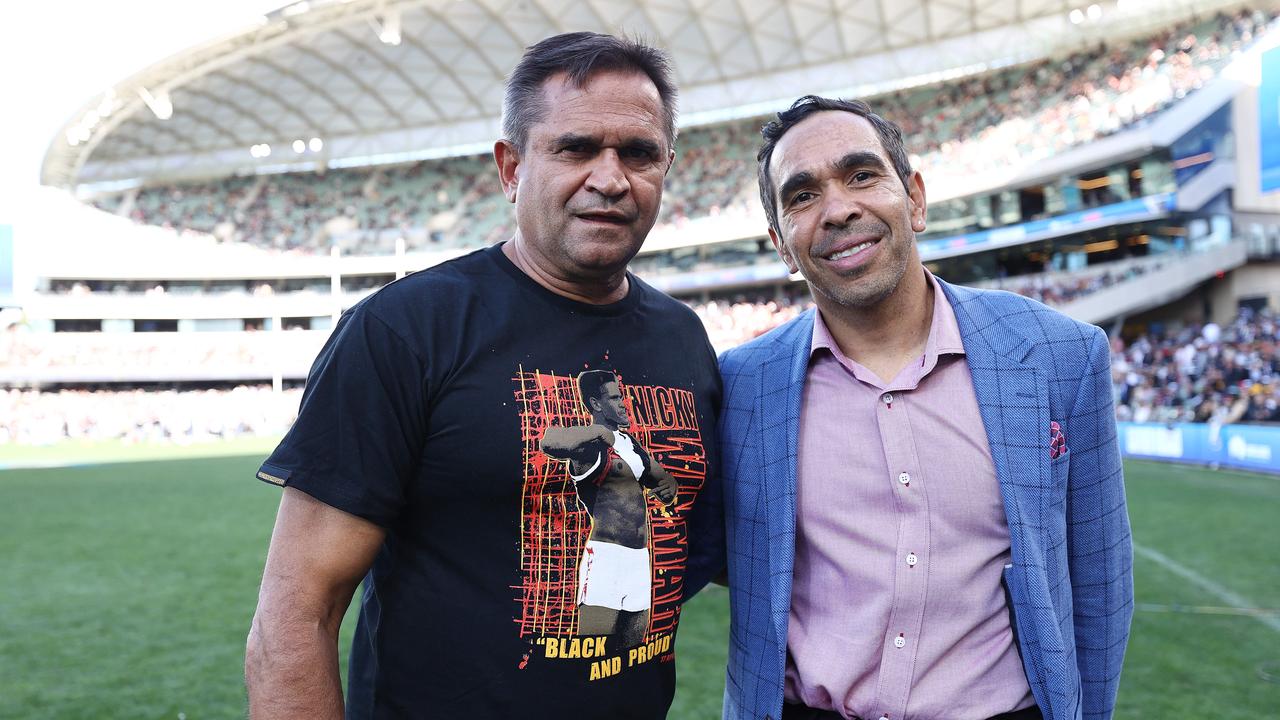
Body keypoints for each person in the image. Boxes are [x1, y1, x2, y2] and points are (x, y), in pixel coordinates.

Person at [245, 32, 721, 719]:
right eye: (576, 148)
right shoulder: (406, 327)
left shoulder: (684, 337)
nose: (611, 178)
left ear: (666, 169)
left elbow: (690, 531)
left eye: (640, 153)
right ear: (510, 167)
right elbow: (295, 619)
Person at [709, 96, 1134, 720]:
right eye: (801, 196)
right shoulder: (742, 385)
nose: (838, 209)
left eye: (861, 175)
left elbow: (1099, 582)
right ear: (780, 243)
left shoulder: (1060, 354)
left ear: (914, 198)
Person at [541, 369, 679, 646]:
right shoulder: (591, 446)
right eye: (615, 398)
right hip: (606, 556)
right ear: (596, 404)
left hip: (639, 558)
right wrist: (599, 431)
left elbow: (661, 477)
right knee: (592, 650)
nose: (622, 403)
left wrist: (669, 486)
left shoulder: (631, 444)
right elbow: (549, 441)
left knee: (631, 654)